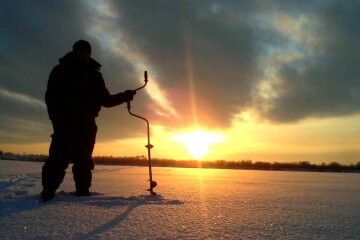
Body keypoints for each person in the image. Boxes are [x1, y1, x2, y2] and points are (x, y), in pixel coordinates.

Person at [41, 40, 136, 202]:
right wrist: (57, 121)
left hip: (87, 127)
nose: (84, 54)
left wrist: (124, 96)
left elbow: (105, 100)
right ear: (74, 52)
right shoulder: (60, 71)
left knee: (84, 162)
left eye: (86, 51)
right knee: (57, 160)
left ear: (89, 53)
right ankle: (48, 192)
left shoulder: (95, 75)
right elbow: (50, 99)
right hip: (64, 125)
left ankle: (83, 194)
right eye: (80, 51)